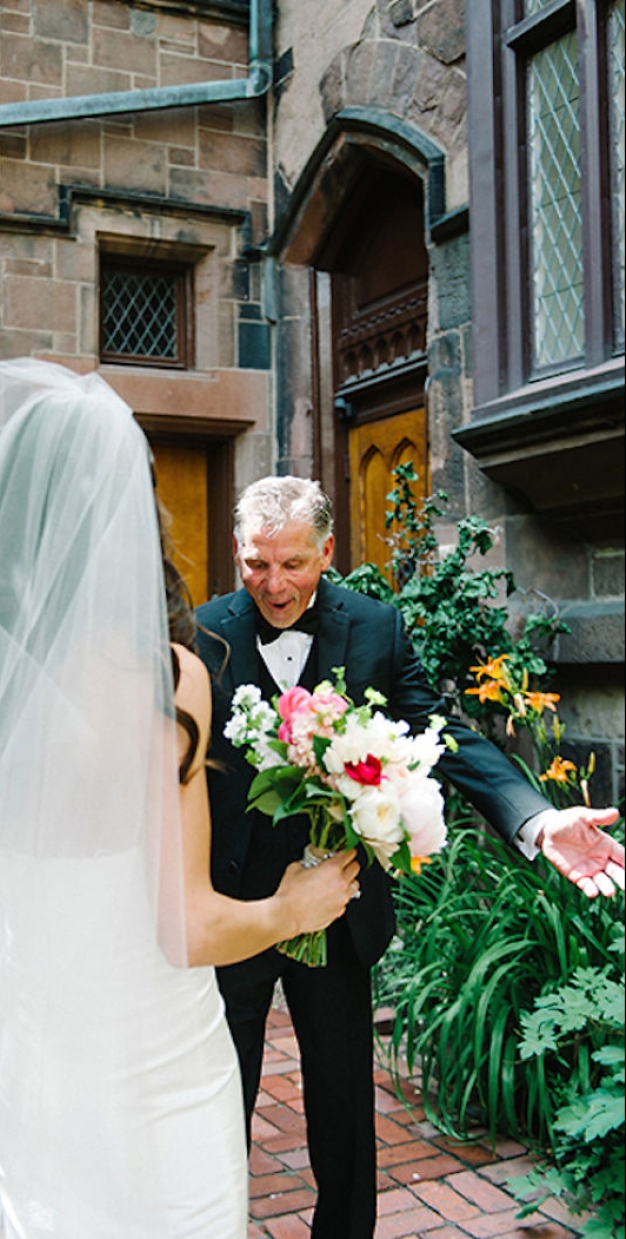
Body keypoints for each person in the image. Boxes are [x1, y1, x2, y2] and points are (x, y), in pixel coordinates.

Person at [0, 361, 360, 1239]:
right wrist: (297, 904)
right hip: (153, 1063)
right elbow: (185, 929)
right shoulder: (158, 679)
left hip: (35, 1058)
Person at [194, 474, 625, 1239]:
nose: (275, 583)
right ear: (236, 552)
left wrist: (534, 816)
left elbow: (443, 734)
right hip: (233, 911)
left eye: (293, 562)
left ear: (327, 550)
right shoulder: (202, 635)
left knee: (342, 1112)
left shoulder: (376, 627)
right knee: (214, 1110)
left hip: (339, 911)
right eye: (257, 564)